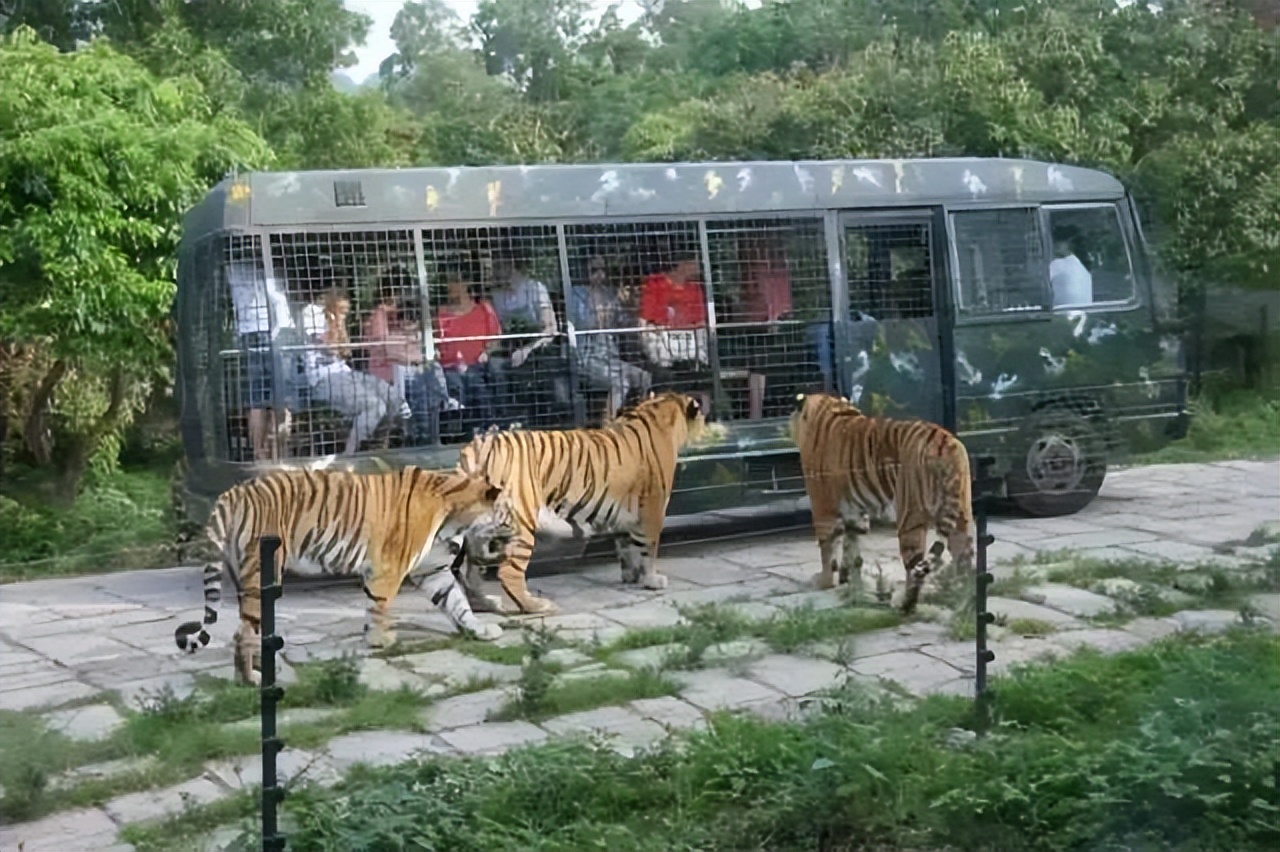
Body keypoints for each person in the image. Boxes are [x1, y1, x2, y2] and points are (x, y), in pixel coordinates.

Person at [301, 285, 410, 456]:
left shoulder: (337, 321)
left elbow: (344, 352)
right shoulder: (312, 312)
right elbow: (329, 346)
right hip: (323, 379)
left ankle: (379, 446)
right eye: (342, 311)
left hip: (344, 373)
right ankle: (351, 453)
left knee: (393, 397)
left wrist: (339, 325)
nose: (345, 316)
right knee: (374, 405)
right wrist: (335, 323)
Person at [363, 269, 456, 445]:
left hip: (405, 366)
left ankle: (441, 407)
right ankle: (423, 434)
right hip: (388, 371)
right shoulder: (380, 315)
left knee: (430, 371)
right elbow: (388, 350)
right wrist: (417, 358)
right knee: (419, 379)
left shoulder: (400, 315)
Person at [227, 259, 294, 461]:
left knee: (257, 399)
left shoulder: (232, 264)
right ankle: (277, 454)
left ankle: (260, 455)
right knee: (282, 397)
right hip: (276, 328)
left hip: (249, 329)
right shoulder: (269, 262)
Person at [570, 255, 652, 421]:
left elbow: (623, 323)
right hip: (586, 358)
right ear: (584, 272)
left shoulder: (610, 295)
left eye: (603, 270)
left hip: (609, 357)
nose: (600, 275)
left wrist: (630, 308)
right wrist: (597, 318)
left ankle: (637, 421)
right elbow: (575, 323)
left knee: (644, 377)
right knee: (620, 381)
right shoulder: (575, 295)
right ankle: (607, 426)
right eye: (594, 270)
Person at [489, 250, 567, 419]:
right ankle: (506, 420)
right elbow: (496, 330)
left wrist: (528, 350)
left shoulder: (535, 289)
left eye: (497, 267)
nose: (493, 273)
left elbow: (550, 329)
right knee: (495, 367)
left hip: (538, 349)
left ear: (510, 266)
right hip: (509, 349)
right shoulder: (497, 296)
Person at [637, 250, 712, 413]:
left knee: (704, 375)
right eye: (695, 262)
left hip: (688, 347)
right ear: (683, 265)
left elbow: (700, 324)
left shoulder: (695, 289)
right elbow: (644, 323)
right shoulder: (655, 285)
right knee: (664, 377)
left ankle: (703, 418)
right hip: (662, 347)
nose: (699, 267)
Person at [435, 267, 502, 425]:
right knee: (456, 382)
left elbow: (497, 337)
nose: (450, 286)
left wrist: (487, 351)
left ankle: (490, 426)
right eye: (448, 282)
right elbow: (435, 342)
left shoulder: (483, 309)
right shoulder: (440, 314)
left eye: (454, 281)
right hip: (450, 366)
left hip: (478, 364)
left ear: (466, 284)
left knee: (475, 379)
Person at [1049, 230, 1093, 308]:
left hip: (1063, 315)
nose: (1054, 244)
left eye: (1058, 242)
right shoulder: (1083, 268)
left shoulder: (1058, 264)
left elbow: (1036, 283)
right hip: (1085, 314)